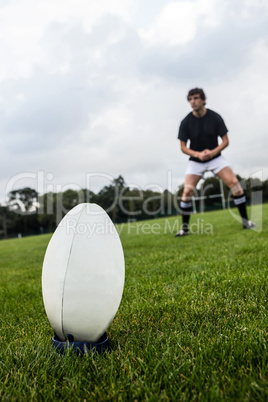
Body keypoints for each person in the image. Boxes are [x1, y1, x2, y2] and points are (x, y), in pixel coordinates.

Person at [176, 87, 255, 237]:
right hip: (196, 160)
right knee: (187, 192)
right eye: (190, 99)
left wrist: (212, 152)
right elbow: (183, 147)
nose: (193, 102)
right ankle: (184, 229)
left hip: (216, 158)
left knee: (235, 184)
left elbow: (225, 141)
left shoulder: (215, 117)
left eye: (196, 98)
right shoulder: (185, 122)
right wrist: (198, 154)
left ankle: (246, 222)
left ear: (203, 100)